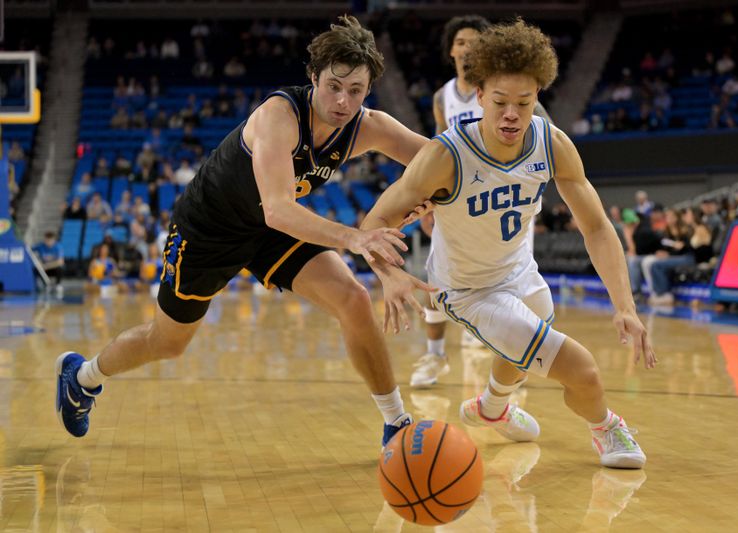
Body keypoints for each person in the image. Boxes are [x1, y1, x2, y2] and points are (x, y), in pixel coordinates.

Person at [55, 16, 433, 448]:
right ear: (313, 78)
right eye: (334, 85)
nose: (343, 101)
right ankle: (82, 378)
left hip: (269, 229)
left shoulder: (370, 126)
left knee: (354, 298)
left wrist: (434, 200)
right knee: (168, 342)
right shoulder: (280, 115)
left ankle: (396, 423)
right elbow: (277, 209)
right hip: (210, 229)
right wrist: (355, 237)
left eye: (356, 91)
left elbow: (437, 161)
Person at [362, 19, 656, 468]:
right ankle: (605, 427)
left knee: (521, 348)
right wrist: (390, 274)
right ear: (478, 95)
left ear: (539, 96)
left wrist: (626, 306)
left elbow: (596, 227)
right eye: (499, 102)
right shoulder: (445, 156)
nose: (512, 114)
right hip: (468, 289)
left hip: (520, 271)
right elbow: (376, 219)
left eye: (524, 101)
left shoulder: (551, 143)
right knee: (581, 370)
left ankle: (492, 407)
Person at [411, 14, 554, 388]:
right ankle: (434, 356)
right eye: (461, 41)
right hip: (461, 201)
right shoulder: (444, 96)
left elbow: (543, 133)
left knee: (514, 285)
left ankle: (505, 375)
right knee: (438, 282)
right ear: (451, 50)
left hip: (507, 201)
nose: (467, 47)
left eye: (475, 41)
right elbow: (438, 147)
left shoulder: (509, 89)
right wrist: (430, 199)